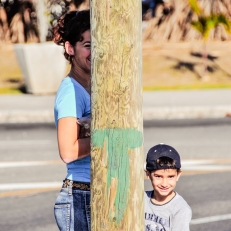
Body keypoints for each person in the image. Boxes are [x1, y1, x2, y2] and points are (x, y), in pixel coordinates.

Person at [52, 10, 91, 231]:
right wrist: (107, 136)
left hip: (90, 192)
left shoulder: (91, 86)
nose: (94, 52)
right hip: (80, 196)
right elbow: (68, 151)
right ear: (70, 48)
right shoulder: (71, 92)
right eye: (87, 45)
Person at [144, 143, 192, 231]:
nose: (164, 184)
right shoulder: (141, 199)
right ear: (148, 174)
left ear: (178, 175)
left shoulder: (180, 209)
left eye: (170, 177)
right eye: (158, 176)